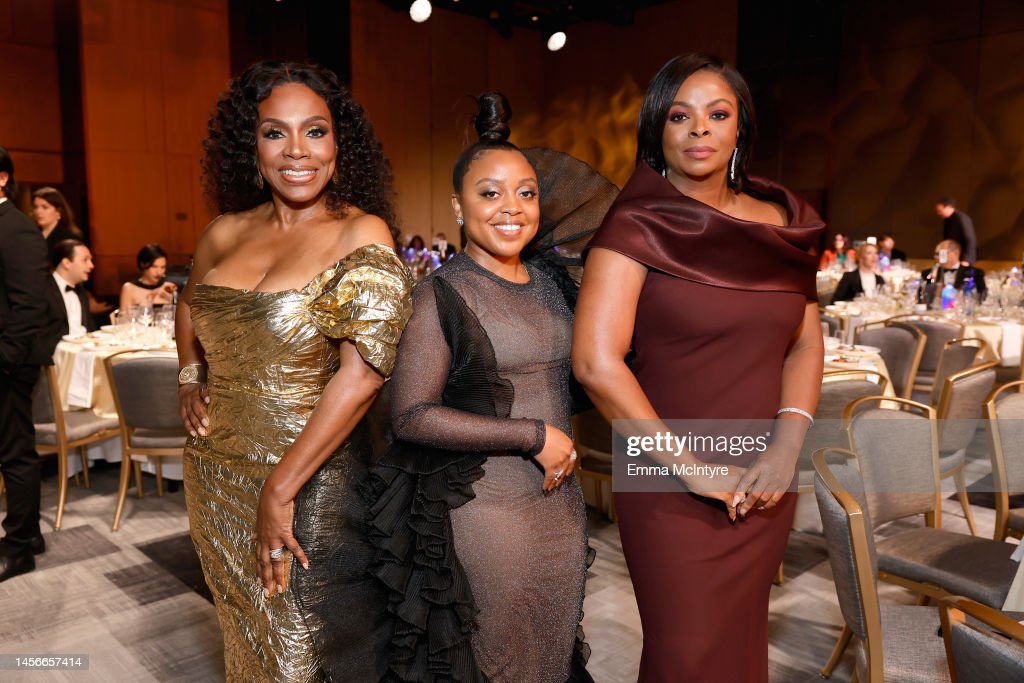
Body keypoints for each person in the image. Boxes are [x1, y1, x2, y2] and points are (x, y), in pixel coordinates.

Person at [573, 54, 824, 682]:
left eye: (718, 114)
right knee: (684, 655)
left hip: (764, 474)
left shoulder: (784, 225)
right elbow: (596, 363)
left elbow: (804, 344)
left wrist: (787, 447)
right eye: (679, 116)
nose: (700, 129)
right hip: (666, 479)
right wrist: (692, 468)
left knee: (740, 648)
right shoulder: (636, 225)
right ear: (658, 129)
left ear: (741, 129)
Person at [175, 61, 412, 681]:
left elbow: (362, 376)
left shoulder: (360, 231)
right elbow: (188, 303)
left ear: (340, 143)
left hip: (311, 478)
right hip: (216, 475)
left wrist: (279, 489)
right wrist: (189, 373)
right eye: (275, 133)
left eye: (316, 131)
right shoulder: (223, 233)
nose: (298, 151)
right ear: (250, 146)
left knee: (301, 655)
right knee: (245, 638)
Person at [361, 93, 591, 682]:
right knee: (499, 660)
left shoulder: (551, 279)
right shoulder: (441, 294)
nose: (510, 208)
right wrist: (532, 435)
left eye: (526, 192)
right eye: (489, 193)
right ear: (458, 206)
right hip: (488, 511)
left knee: (550, 650)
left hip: (559, 505)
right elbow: (410, 415)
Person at [0, 145, 60, 582]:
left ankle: (18, 547)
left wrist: (4, 361)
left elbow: (28, 308)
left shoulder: (15, 230)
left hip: (8, 363)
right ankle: (31, 532)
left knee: (14, 455)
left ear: (3, 178)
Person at [48, 239, 97, 337]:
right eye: (85, 260)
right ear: (66, 263)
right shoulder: (43, 289)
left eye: (90, 260)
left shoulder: (81, 292)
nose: (91, 265)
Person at [920, 239, 987, 306]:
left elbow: (982, 297)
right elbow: (921, 298)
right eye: (935, 254)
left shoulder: (975, 273)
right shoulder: (927, 274)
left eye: (940, 253)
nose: (936, 257)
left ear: (955, 253)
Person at [118, 244, 177, 314]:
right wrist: (148, 299)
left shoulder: (168, 287)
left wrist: (172, 301)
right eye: (154, 267)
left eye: (162, 267)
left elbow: (175, 319)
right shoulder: (129, 288)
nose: (159, 272)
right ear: (143, 264)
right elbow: (123, 320)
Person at [32, 186, 84, 253]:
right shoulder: (31, 235)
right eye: (36, 207)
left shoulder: (69, 238)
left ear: (58, 211)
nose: (38, 212)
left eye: (45, 207)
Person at [936, 196, 977, 264]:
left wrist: (967, 260)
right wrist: (943, 259)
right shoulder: (947, 220)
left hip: (964, 260)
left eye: (940, 211)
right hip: (953, 259)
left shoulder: (962, 219)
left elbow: (970, 240)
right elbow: (946, 242)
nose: (939, 213)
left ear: (949, 207)